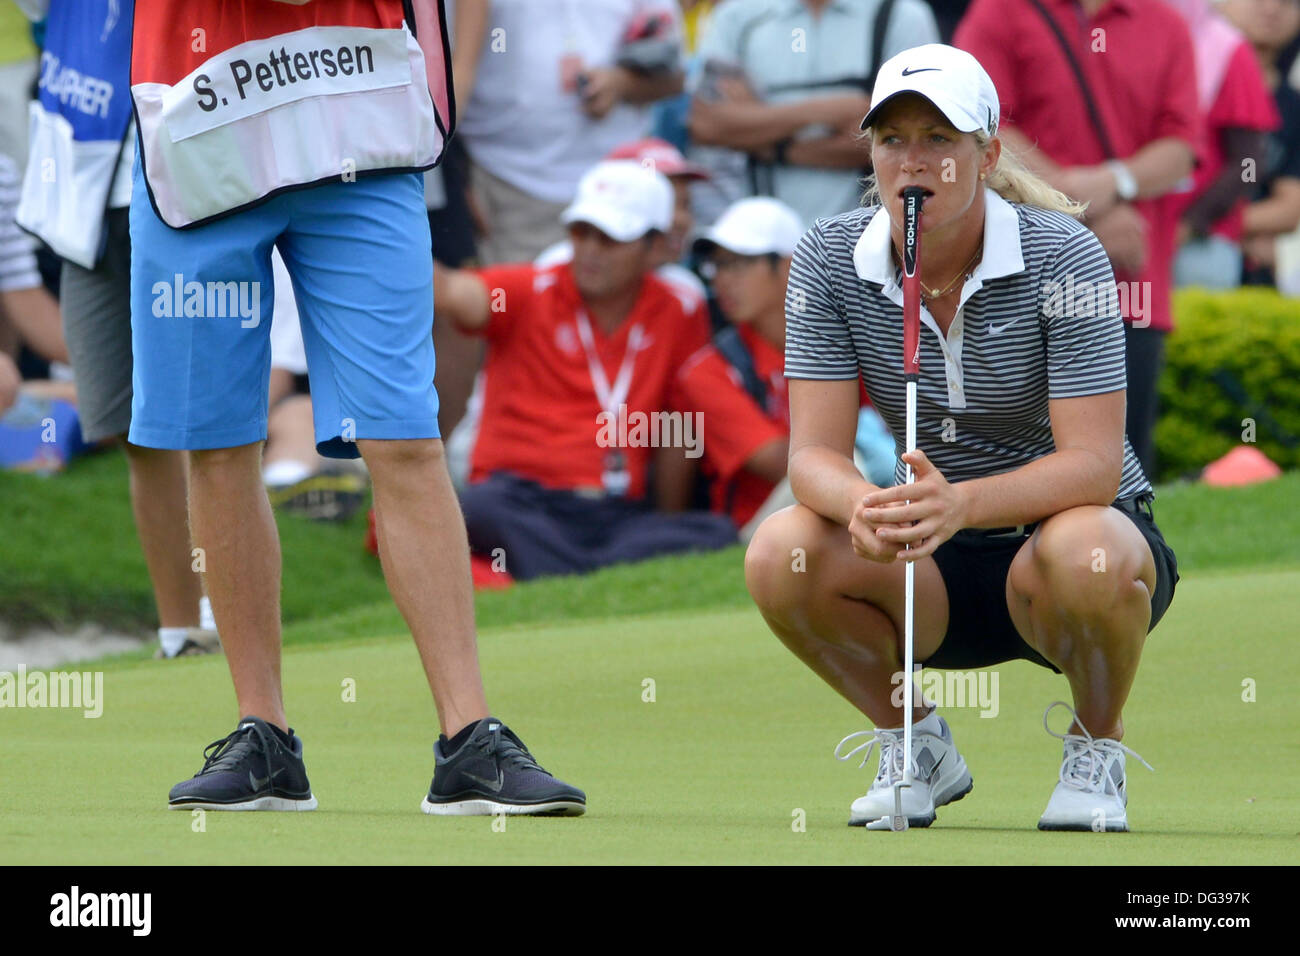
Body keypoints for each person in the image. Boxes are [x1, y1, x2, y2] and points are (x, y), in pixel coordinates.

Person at [129, 0, 583, 815]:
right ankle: (261, 734)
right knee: (218, 440)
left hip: (356, 111)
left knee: (405, 436)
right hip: (202, 116)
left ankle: (469, 740)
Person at [744, 45, 1179, 831]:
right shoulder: (826, 258)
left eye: (941, 141)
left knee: (1090, 549)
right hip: (921, 569)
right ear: (871, 154)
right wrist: (871, 508)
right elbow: (812, 456)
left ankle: (1096, 743)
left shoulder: (1063, 253)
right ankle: (914, 741)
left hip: (1059, 557)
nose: (915, 162)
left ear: (988, 155)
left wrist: (959, 504)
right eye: (893, 140)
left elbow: (1095, 465)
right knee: (782, 552)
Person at [434, 160, 778, 580]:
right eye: (581, 232)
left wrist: (667, 514)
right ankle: (599, 572)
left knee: (714, 531)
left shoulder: (678, 309)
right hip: (522, 500)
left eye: (610, 238)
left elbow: (679, 422)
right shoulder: (530, 290)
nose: (591, 250)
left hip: (615, 512)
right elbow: (455, 293)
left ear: (655, 248)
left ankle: (562, 571)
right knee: (482, 508)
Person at [13, 0, 220, 657]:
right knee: (132, 430)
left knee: (208, 426)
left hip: (192, 186)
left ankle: (226, 620)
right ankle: (180, 632)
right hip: (88, 201)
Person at [955, 0, 1199, 481]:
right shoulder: (999, 14)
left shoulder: (1164, 21)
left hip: (1133, 283)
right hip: (1021, 285)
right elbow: (981, 126)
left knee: (1123, 473)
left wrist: (1108, 184)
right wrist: (1079, 214)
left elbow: (1182, 148)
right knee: (1013, 467)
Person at [687, 0, 940, 227]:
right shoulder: (733, 17)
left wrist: (762, 135)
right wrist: (835, 110)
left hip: (868, 245)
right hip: (758, 251)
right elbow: (706, 125)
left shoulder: (903, 16)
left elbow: (910, 139)